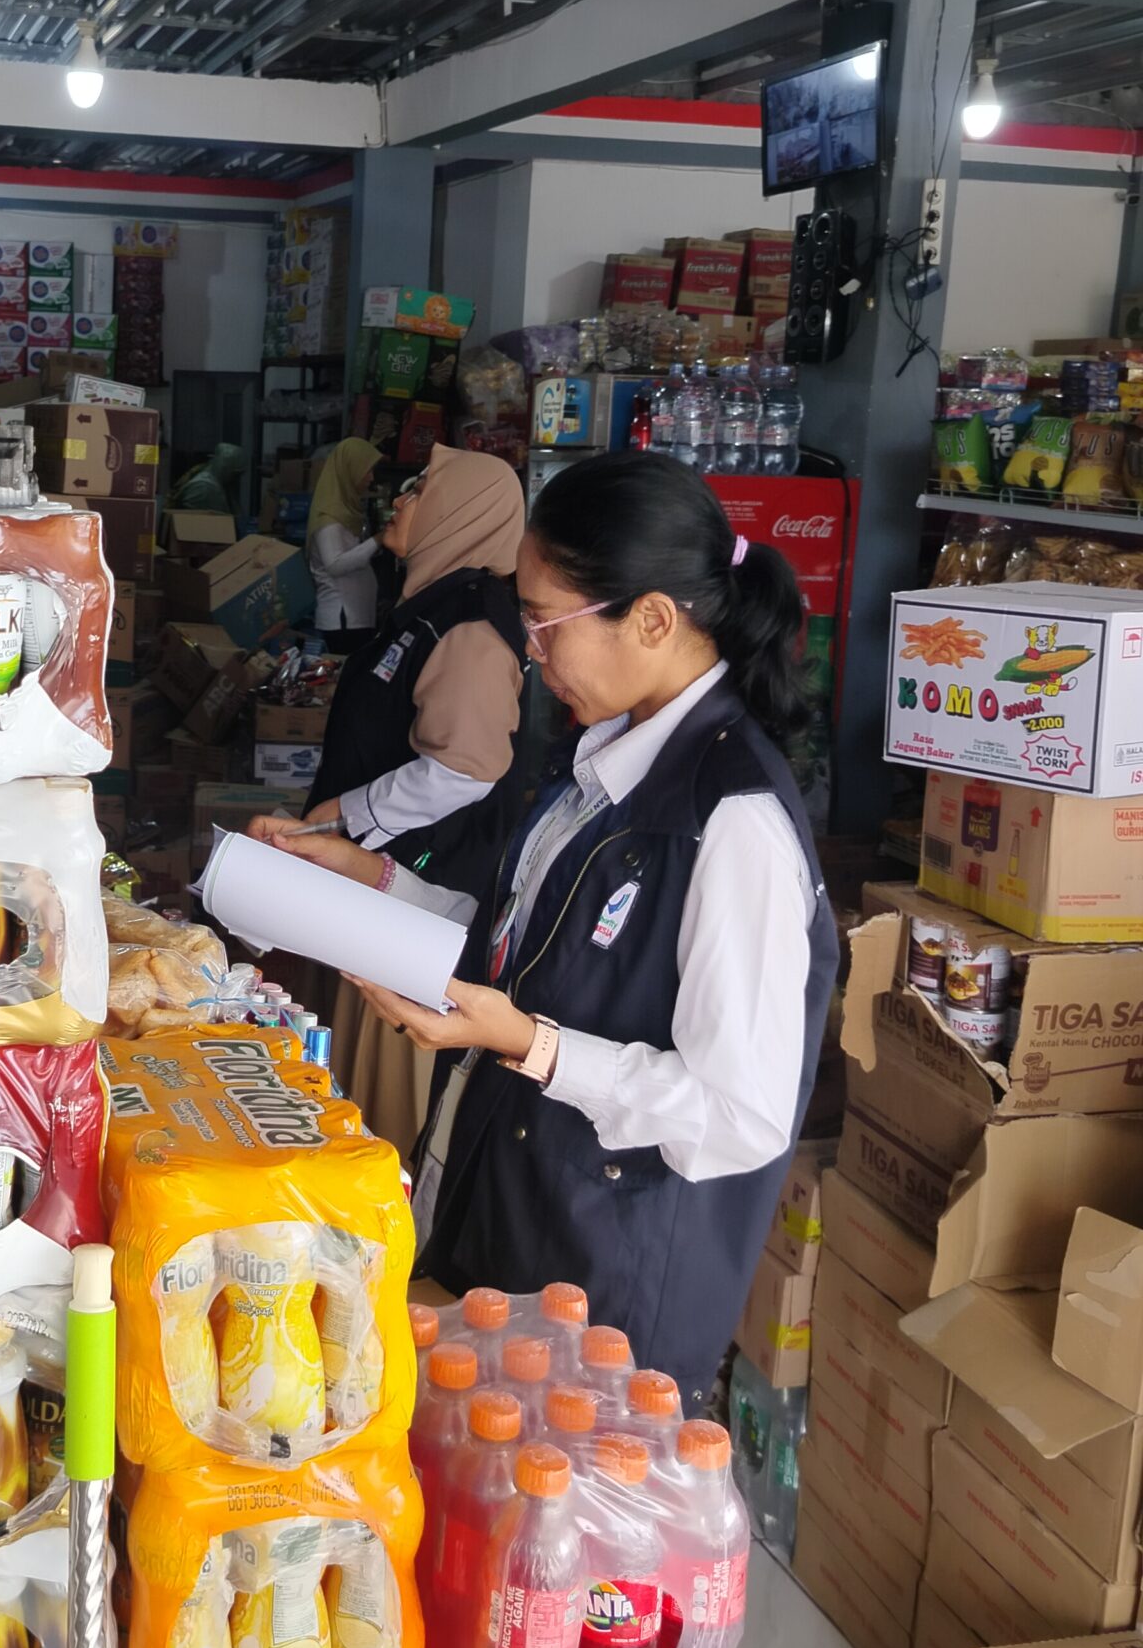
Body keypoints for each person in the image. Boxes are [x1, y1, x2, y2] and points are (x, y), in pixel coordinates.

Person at [257, 450, 834, 1408]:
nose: (529, 650)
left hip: (608, 1311)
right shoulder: (599, 759)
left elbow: (740, 1116)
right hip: (510, 1228)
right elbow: (518, 949)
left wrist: (530, 1045)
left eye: (544, 621)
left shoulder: (734, 822)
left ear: (652, 620)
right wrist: (369, 877)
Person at [250, 444, 528, 1159]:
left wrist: (347, 812)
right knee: (341, 1061)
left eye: (421, 489)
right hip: (374, 883)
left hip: (417, 898)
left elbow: (465, 769)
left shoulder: (470, 624)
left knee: (381, 1086)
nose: (400, 500)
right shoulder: (428, 605)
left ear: (460, 512)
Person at [306, 438, 385, 651]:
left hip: (354, 619)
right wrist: (378, 540)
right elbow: (335, 564)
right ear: (350, 470)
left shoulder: (345, 512)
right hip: (343, 620)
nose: (371, 477)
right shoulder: (329, 518)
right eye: (367, 470)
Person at [169, 443, 246, 516]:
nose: (237, 479)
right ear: (225, 467)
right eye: (236, 474)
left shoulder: (220, 485)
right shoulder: (204, 487)